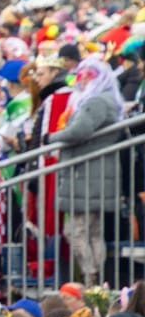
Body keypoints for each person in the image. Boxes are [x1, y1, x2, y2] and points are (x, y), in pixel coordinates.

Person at [51, 57, 126, 282]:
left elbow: (79, 130)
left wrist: (50, 138)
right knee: (92, 231)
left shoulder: (97, 102)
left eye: (87, 76)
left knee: (75, 231)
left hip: (87, 175)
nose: (81, 81)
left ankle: (91, 277)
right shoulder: (105, 99)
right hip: (93, 175)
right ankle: (97, 281)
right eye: (79, 75)